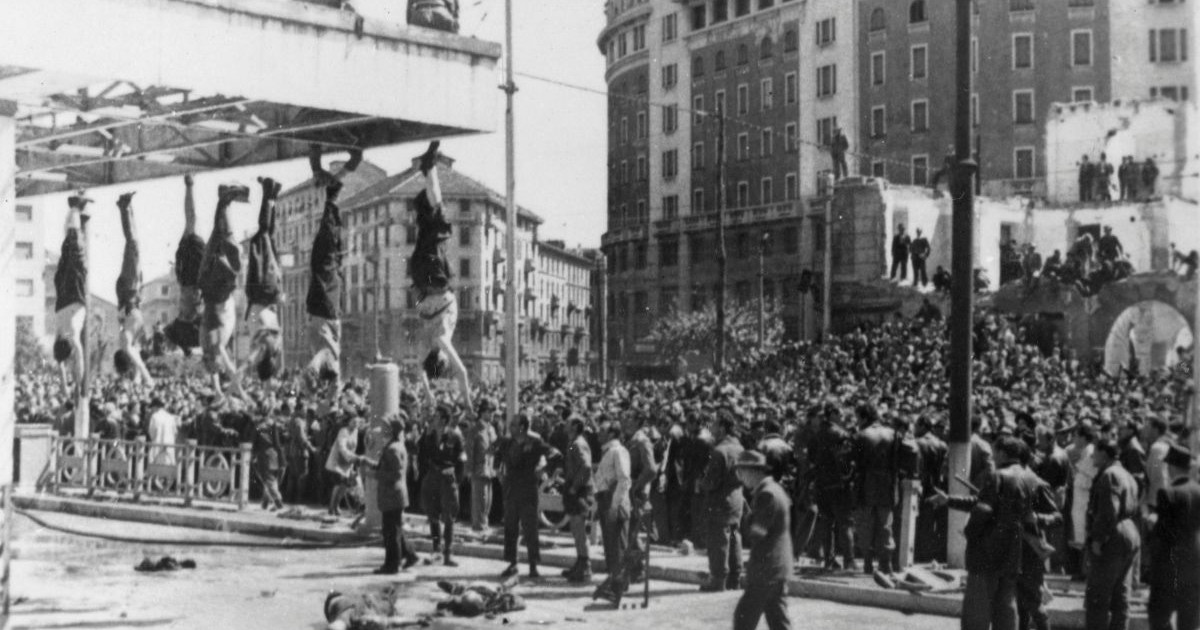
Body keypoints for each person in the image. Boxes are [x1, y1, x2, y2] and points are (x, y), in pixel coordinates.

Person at [928, 437, 1040, 630]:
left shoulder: (997, 476)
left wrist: (970, 533)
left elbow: (984, 509)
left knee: (976, 611)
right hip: (1012, 552)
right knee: (1006, 607)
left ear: (1003, 453)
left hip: (986, 553)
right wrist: (949, 500)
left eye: (995, 452)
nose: (993, 457)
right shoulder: (1029, 478)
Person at [410, 141, 473, 409]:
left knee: (437, 218)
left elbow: (463, 373)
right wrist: (428, 394)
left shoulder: (440, 340)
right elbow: (419, 372)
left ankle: (430, 168)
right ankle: (428, 175)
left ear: (443, 359)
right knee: (428, 222)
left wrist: (468, 402)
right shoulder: (425, 349)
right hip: (421, 277)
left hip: (435, 280)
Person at [306, 145, 362, 388]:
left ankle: (324, 164)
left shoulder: (331, 358)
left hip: (328, 301)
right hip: (325, 303)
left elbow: (323, 368)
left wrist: (329, 393)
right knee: (328, 236)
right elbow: (319, 363)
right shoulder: (329, 358)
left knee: (328, 234)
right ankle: (319, 164)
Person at [198, 183, 249, 401]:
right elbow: (217, 373)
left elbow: (230, 371)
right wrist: (219, 392)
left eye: (217, 365)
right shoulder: (207, 348)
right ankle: (224, 200)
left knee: (233, 255)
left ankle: (224, 199)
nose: (221, 366)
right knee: (219, 236)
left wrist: (242, 394)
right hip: (209, 284)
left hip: (216, 287)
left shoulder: (214, 346)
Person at [1085, 438, 1142, 630]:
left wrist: (1098, 539)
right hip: (1129, 530)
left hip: (1113, 534)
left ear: (1104, 453)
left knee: (1097, 597)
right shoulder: (1127, 474)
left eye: (1095, 451)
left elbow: (1109, 510)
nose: (1092, 455)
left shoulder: (1109, 474)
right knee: (1120, 595)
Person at [732, 451, 793, 630]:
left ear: (754, 472)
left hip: (766, 569)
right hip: (776, 567)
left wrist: (747, 516)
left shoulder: (766, 494)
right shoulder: (775, 489)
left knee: (743, 619)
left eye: (741, 472)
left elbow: (757, 532)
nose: (740, 478)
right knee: (778, 621)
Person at [1146, 445, 1199, 630]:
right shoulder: (1197, 491)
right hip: (1194, 563)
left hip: (1169, 564)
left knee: (1159, 614)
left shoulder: (1168, 493)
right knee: (1189, 617)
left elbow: (1163, 533)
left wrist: (1153, 523)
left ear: (1171, 467)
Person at [498, 412, 553, 578]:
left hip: (528, 491)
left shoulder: (535, 442)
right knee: (510, 528)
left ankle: (533, 565)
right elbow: (497, 456)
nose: (510, 427)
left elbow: (555, 453)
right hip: (510, 490)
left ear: (522, 427)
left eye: (514, 424)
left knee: (530, 529)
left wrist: (543, 470)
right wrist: (499, 472)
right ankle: (512, 563)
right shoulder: (507, 442)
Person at [365, 416, 419, 574]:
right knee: (395, 529)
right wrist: (370, 463)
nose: (382, 430)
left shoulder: (392, 448)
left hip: (392, 495)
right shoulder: (395, 446)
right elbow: (387, 468)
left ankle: (392, 564)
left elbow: (395, 474)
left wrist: (373, 474)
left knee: (390, 531)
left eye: (385, 427)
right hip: (394, 495)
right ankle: (410, 554)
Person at [244, 177, 285, 383]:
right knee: (261, 236)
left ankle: (273, 195)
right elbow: (251, 358)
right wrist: (242, 370)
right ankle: (268, 190)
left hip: (272, 292)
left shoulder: (275, 346)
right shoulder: (264, 349)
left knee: (269, 237)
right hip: (260, 290)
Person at [700, 410, 745, 591]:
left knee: (718, 539)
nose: (711, 427)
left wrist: (702, 483)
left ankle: (718, 580)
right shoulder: (740, 447)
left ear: (723, 428)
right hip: (737, 499)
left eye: (714, 424)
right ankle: (735, 578)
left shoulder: (719, 451)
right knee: (735, 537)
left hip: (720, 501)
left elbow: (711, 482)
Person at [113, 192, 154, 387]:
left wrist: (146, 377)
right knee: (134, 243)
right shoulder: (128, 341)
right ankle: (126, 207)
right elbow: (135, 355)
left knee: (133, 243)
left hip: (129, 290)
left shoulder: (125, 342)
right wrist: (139, 378)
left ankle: (124, 206)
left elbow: (133, 354)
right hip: (131, 292)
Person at [852, 403, 899, 577]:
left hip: (866, 484)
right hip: (887, 484)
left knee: (866, 524)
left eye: (858, 417)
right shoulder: (893, 434)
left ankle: (867, 563)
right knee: (886, 524)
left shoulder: (861, 435)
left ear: (864, 417)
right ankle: (886, 563)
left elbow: (855, 462)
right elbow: (897, 461)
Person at [53, 192, 92, 399]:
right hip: (61, 296)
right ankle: (73, 211)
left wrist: (77, 386)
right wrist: (67, 387)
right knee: (67, 249)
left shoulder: (72, 337)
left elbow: (80, 362)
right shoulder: (59, 334)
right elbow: (60, 365)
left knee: (75, 250)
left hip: (74, 295)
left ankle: (75, 208)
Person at [809, 403, 855, 570]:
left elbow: (813, 460)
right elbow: (847, 462)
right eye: (840, 413)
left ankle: (829, 560)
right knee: (845, 523)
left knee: (827, 522)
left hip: (821, 485)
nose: (842, 417)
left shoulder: (816, 435)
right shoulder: (841, 434)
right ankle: (849, 561)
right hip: (839, 485)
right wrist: (847, 478)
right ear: (833, 414)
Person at [418, 404, 465, 567]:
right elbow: (421, 454)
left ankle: (448, 554)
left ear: (444, 420)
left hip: (447, 477)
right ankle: (436, 550)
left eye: (436, 417)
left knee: (449, 517)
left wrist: (456, 479)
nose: (433, 419)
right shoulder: (429, 436)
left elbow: (461, 459)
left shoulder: (455, 436)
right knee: (432, 515)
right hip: (432, 476)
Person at [164, 175, 205, 354]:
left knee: (191, 221)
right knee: (191, 221)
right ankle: (189, 185)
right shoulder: (193, 317)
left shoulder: (187, 318)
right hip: (191, 277)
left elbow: (169, 332)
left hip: (189, 276)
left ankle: (189, 185)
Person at [594, 419, 632, 591]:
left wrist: (614, 506)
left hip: (614, 502)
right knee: (610, 545)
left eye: (602, 429)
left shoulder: (618, 451)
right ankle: (614, 581)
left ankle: (620, 584)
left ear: (611, 433)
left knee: (618, 546)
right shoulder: (608, 452)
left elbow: (624, 479)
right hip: (605, 500)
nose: (598, 432)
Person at [561, 417, 596, 583]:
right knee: (575, 528)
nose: (564, 424)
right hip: (575, 488)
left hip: (580, 490)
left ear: (575, 426)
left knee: (579, 528)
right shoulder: (573, 442)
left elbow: (586, 467)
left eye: (568, 423)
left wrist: (575, 487)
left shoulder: (578, 443)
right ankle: (580, 562)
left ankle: (585, 566)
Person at [466, 398, 498, 532]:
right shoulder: (475, 429)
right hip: (478, 468)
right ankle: (478, 526)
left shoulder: (491, 429)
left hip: (489, 468)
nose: (491, 415)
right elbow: (469, 450)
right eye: (489, 412)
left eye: (492, 412)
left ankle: (484, 524)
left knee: (488, 500)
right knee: (480, 499)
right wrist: (469, 469)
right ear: (482, 412)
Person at [326, 412, 363, 517]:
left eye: (357, 422)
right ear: (349, 422)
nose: (356, 424)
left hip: (348, 462)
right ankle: (331, 507)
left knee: (345, 485)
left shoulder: (355, 431)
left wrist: (352, 460)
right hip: (338, 460)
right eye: (353, 422)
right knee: (338, 483)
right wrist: (351, 457)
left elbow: (353, 447)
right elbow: (342, 447)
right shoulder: (343, 431)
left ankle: (337, 505)